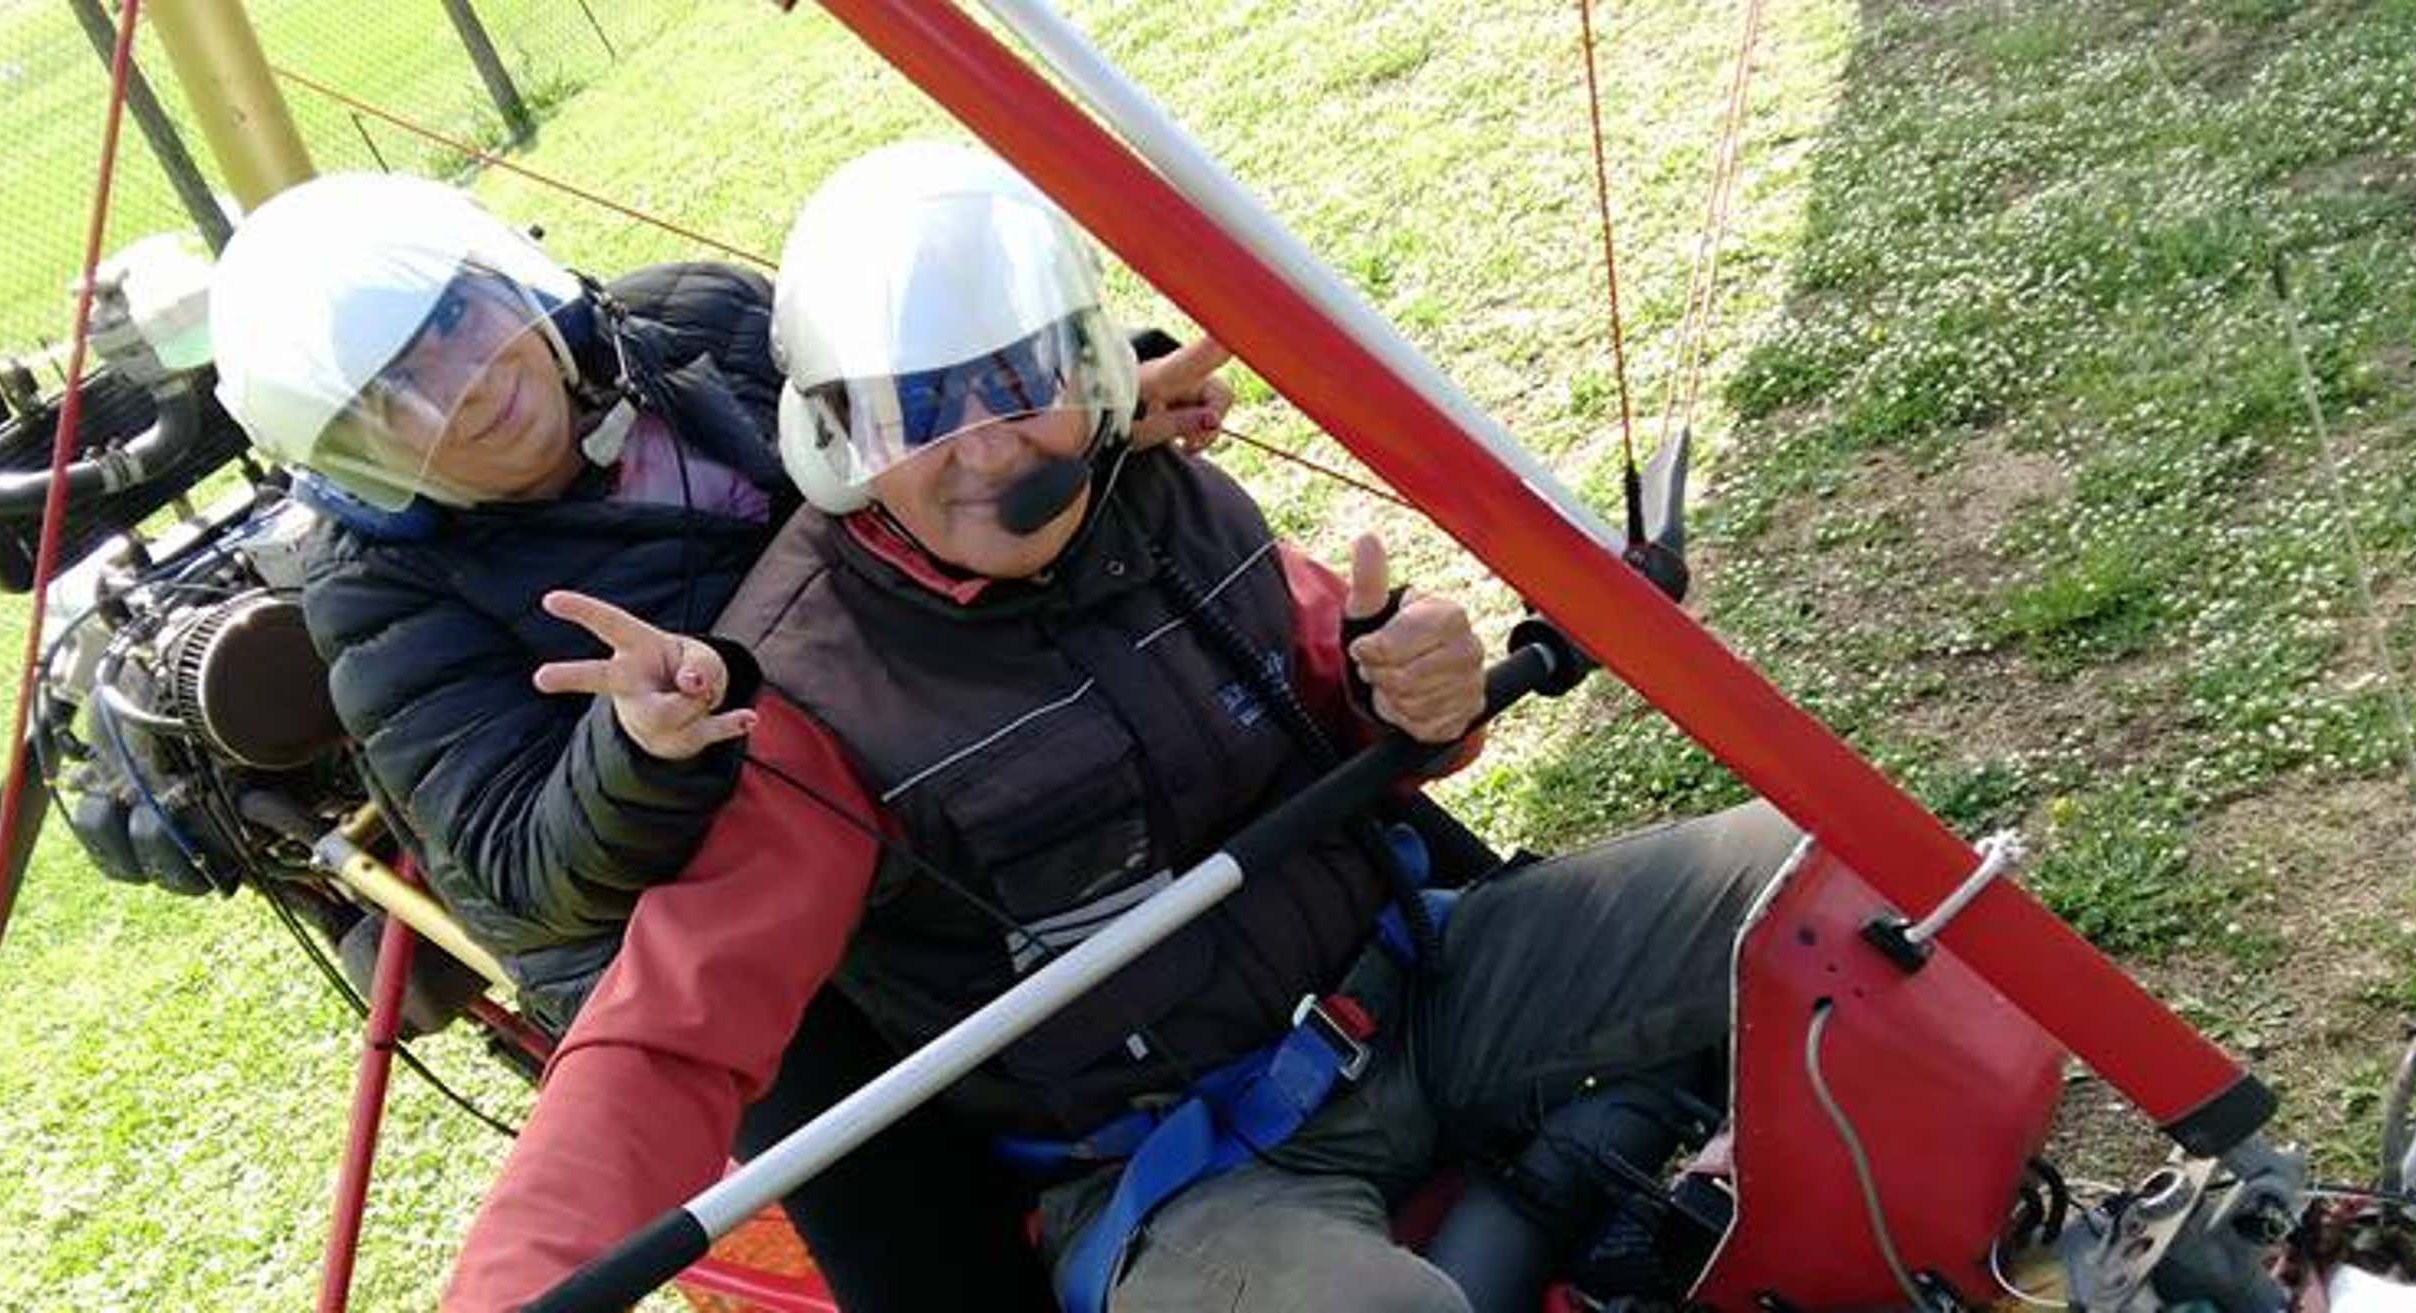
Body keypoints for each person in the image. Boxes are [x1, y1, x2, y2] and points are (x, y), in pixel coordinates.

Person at [442, 141, 1804, 1313]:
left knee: (1819, 885)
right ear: (838, 433)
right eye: (919, 410)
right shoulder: (806, 686)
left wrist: (1411, 694)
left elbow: (1344, 698)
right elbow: (671, 1030)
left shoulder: (1172, 503)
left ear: (1087, 366)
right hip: (1188, 1170)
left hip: (1422, 985)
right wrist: (522, 1278)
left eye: (1015, 378)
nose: (984, 449)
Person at [206, 171, 1233, 1310]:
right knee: (876, 1171)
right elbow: (517, 865)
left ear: (510, 281)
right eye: (385, 399)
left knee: (1229, 761)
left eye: (457, 321)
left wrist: (1081, 406)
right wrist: (638, 749)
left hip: (918, 710)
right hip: (693, 884)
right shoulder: (379, 597)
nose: (461, 392)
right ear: (349, 460)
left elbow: (908, 403)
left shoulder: (700, 320)